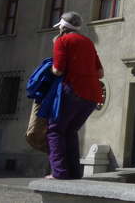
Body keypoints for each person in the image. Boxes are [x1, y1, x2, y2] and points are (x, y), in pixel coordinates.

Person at [45, 11, 103, 180]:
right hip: (93, 96)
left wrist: (48, 68)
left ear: (63, 26)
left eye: (60, 27)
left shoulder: (61, 41)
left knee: (55, 130)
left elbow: (58, 70)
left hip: (73, 91)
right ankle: (74, 173)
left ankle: (59, 173)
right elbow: (100, 72)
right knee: (70, 131)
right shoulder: (88, 42)